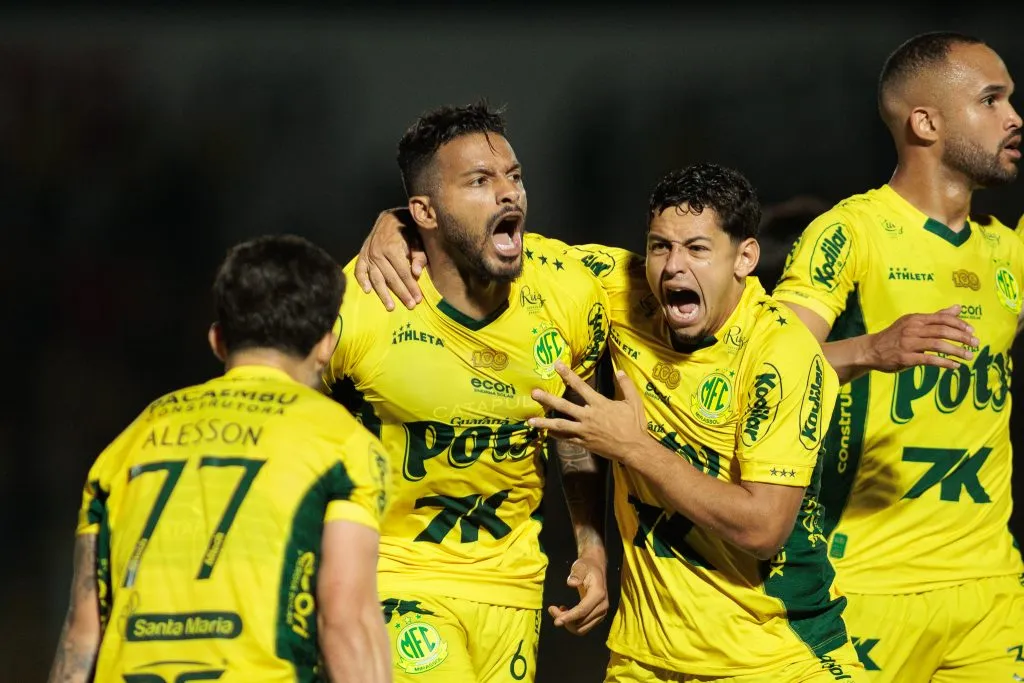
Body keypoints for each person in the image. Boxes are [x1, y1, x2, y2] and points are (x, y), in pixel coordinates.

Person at [355, 163, 863, 681]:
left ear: (745, 258)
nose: (673, 268)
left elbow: (763, 528)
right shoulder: (615, 288)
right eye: (661, 246)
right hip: (643, 662)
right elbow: (488, 241)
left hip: (779, 659)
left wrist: (633, 447)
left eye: (698, 249)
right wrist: (404, 222)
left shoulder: (782, 353)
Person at [323, 101, 611, 683]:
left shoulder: (570, 291)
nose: (510, 195)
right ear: (423, 211)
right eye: (480, 181)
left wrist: (591, 545)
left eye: (515, 177)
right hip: (397, 580)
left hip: (514, 588)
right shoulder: (361, 304)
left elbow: (572, 430)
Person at [772, 31, 1024, 681]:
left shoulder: (1006, 253)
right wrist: (871, 347)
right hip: (869, 584)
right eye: (991, 100)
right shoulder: (850, 232)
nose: (1014, 117)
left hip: (992, 588)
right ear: (925, 121)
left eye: (1012, 99)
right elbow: (764, 371)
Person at [47, 235, 393, 683]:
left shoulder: (129, 441)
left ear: (217, 340)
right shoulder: (343, 443)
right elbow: (347, 620)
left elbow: (80, 633)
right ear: (326, 344)